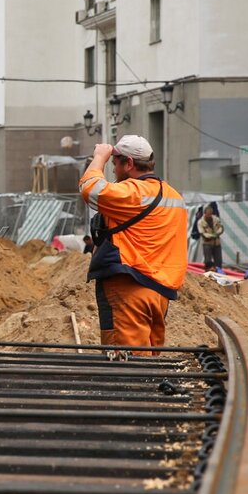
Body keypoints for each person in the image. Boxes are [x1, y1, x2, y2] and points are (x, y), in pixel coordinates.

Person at [79, 135, 187, 354]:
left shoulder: (133, 193)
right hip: (160, 292)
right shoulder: (174, 196)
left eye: (115, 164)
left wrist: (99, 156)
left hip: (129, 289)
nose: (113, 171)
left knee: (127, 366)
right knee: (149, 362)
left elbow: (89, 188)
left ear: (129, 163)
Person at [198, 203, 224, 272]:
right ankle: (208, 272)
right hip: (207, 243)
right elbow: (202, 233)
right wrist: (212, 235)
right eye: (208, 214)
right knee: (208, 261)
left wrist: (217, 233)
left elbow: (220, 228)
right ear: (205, 213)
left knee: (218, 261)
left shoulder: (216, 219)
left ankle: (219, 272)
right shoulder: (200, 222)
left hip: (217, 243)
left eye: (210, 214)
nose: (209, 215)